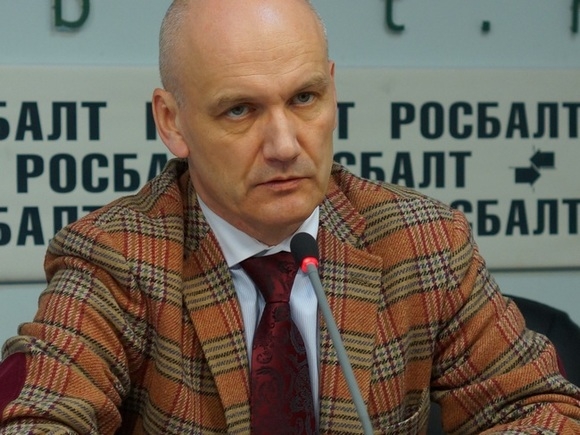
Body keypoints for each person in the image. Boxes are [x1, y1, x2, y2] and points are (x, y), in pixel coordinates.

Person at [1, 0, 579, 433]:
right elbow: (38, 417)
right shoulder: (116, 259)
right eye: (240, 110)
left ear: (332, 89)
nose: (284, 144)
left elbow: (535, 406)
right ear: (172, 122)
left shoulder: (423, 242)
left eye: (304, 98)